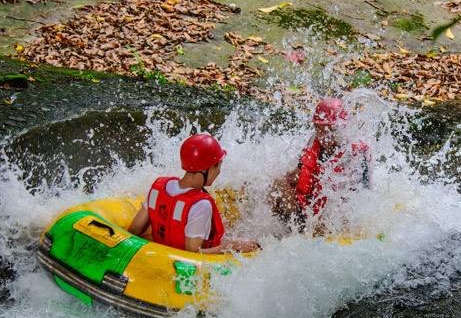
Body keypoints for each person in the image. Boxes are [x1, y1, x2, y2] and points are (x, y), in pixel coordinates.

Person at [128, 133, 259, 253]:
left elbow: (134, 231)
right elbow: (193, 254)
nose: (219, 171)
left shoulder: (158, 188)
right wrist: (231, 245)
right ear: (209, 168)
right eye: (218, 166)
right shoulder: (201, 205)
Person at [269, 98, 371, 228]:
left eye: (330, 130)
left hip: (339, 218)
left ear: (342, 127)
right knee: (277, 186)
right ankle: (279, 233)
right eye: (319, 129)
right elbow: (297, 174)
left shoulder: (356, 153)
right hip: (310, 212)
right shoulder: (314, 141)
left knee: (327, 221)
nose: (323, 137)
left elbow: (362, 198)